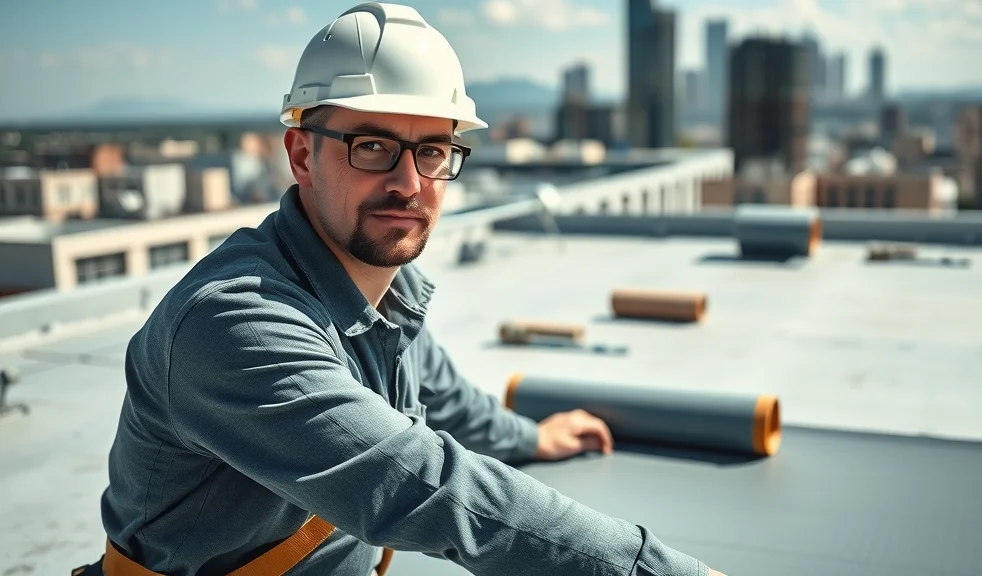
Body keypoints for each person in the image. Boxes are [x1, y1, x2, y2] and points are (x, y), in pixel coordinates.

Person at [79, 3, 726, 575]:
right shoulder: (236, 323)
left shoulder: (387, 291)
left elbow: (444, 400)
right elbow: (422, 487)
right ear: (302, 155)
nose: (411, 184)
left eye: (434, 152)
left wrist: (532, 439)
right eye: (372, 147)